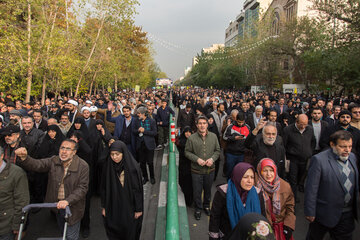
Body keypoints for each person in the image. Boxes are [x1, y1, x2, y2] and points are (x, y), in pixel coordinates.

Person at [15, 139, 89, 240]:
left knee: (71, 236)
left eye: (68, 149)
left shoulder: (83, 166)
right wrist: (25, 158)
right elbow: (38, 164)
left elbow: (82, 188)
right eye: (62, 148)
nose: (64, 151)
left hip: (73, 208)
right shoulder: (54, 160)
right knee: (63, 230)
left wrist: (67, 201)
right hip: (56, 206)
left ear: (74, 152)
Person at [305, 130, 359, 240]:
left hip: (347, 214)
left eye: (349, 146)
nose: (347, 150)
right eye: (343, 146)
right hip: (324, 213)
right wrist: (310, 211)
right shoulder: (319, 160)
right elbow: (311, 188)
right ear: (332, 144)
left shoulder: (352, 157)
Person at [208, 162, 264, 239]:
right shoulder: (223, 193)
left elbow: (262, 217)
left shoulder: (258, 194)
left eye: (252, 177)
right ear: (237, 176)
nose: (249, 181)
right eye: (245, 177)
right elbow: (215, 217)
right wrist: (214, 237)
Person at [101, 140, 143, 240]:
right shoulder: (108, 167)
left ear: (123, 153)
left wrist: (138, 209)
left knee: (130, 231)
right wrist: (104, 207)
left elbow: (137, 190)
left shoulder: (133, 168)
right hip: (113, 206)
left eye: (117, 154)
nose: (114, 157)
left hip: (129, 207)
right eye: (112, 154)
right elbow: (104, 188)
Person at [185, 116, 220, 220]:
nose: (202, 125)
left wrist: (212, 159)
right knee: (197, 191)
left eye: (204, 123)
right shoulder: (191, 138)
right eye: (200, 123)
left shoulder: (213, 136)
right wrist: (197, 159)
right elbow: (187, 152)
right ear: (196, 125)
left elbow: (217, 151)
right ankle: (198, 208)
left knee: (208, 190)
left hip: (210, 170)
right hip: (196, 171)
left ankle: (206, 206)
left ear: (207, 124)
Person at [256, 158, 295, 240]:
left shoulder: (285, 186)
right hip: (263, 228)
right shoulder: (255, 187)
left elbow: (290, 207)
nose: (269, 174)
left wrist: (288, 225)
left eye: (271, 170)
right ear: (260, 172)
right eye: (265, 171)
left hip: (281, 227)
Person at [283, 114, 315, 201]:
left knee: (301, 176)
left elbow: (313, 141)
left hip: (304, 159)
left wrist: (310, 152)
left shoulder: (310, 129)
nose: (303, 126)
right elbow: (284, 144)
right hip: (293, 159)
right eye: (301, 124)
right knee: (292, 178)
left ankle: (298, 188)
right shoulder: (288, 130)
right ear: (296, 122)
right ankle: (293, 197)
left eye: (305, 124)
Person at [0, 146, 30, 240]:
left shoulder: (17, 173)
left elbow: (22, 201)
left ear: (1, 156)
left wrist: (17, 225)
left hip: (5, 226)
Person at [133, 106, 157, 184]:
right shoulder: (136, 121)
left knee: (150, 162)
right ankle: (145, 177)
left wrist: (144, 131)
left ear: (143, 114)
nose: (138, 115)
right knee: (142, 163)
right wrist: (138, 130)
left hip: (149, 144)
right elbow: (133, 131)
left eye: (139, 113)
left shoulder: (152, 121)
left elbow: (154, 133)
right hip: (140, 144)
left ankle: (152, 177)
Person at [223, 112, 250, 178]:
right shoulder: (230, 127)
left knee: (239, 171)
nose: (240, 124)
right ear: (236, 120)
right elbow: (224, 137)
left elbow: (249, 139)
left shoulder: (247, 127)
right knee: (229, 171)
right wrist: (234, 138)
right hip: (231, 153)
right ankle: (229, 184)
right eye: (239, 122)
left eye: (242, 122)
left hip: (241, 154)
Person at [175, 126, 193, 206]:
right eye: (186, 132)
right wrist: (175, 136)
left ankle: (189, 201)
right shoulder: (181, 141)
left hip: (191, 166)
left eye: (189, 132)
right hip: (183, 165)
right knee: (183, 182)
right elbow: (176, 143)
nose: (188, 134)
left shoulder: (193, 141)